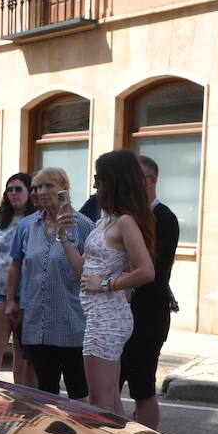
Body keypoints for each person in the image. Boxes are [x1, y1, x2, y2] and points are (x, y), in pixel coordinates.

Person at [73, 151, 158, 412]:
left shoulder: (125, 222)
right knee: (109, 401)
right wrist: (63, 239)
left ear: (114, 180)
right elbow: (83, 271)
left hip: (107, 318)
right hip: (99, 315)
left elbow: (146, 271)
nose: (96, 184)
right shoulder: (106, 219)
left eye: (100, 178)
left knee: (99, 404)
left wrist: (107, 284)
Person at [6, 167, 93, 398]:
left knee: (79, 391)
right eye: (36, 187)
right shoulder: (26, 225)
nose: (40, 192)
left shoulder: (84, 226)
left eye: (48, 186)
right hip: (37, 321)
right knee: (45, 391)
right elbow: (15, 265)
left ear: (63, 188)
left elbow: (88, 272)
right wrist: (11, 301)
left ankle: (81, 433)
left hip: (71, 321)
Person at [119, 155, 180, 429]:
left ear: (151, 180)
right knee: (110, 385)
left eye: (135, 178)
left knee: (142, 388)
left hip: (148, 317)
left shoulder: (165, 218)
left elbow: (149, 269)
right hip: (120, 314)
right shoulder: (125, 217)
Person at [0, 172, 37, 384]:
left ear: (30, 192)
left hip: (27, 297)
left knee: (22, 354)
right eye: (9, 189)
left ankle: (20, 398)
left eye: (18, 189)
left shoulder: (37, 220)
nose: (13, 193)